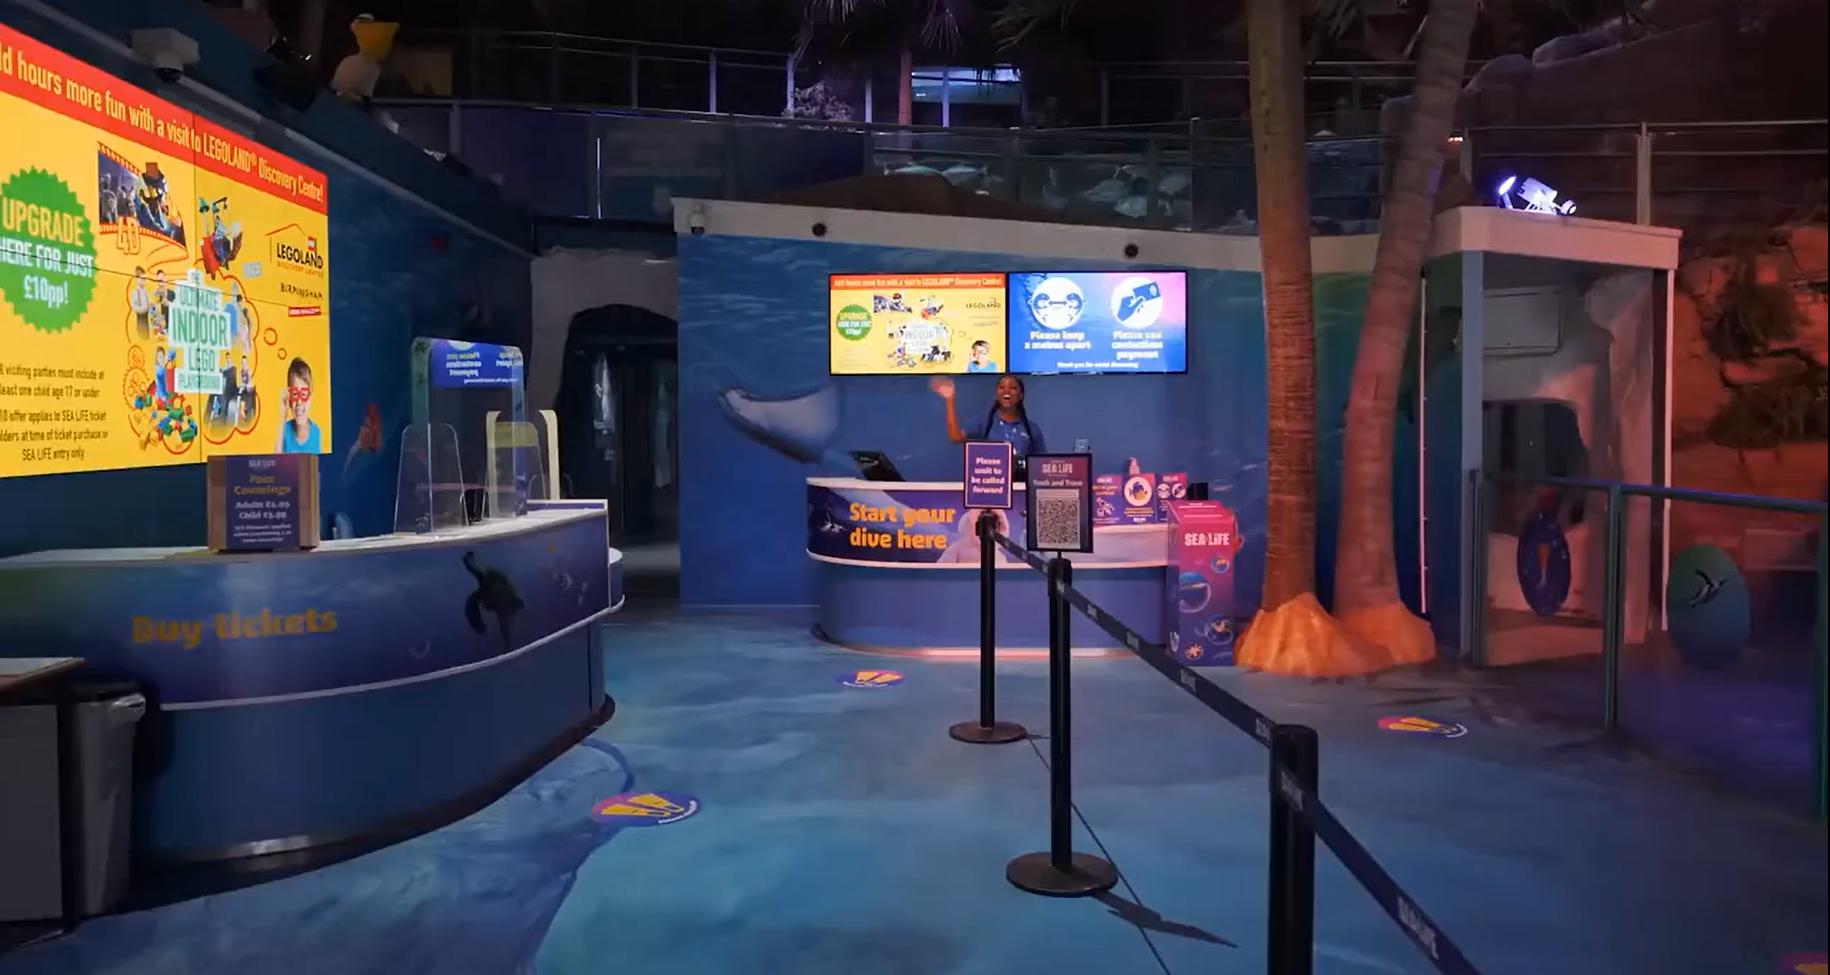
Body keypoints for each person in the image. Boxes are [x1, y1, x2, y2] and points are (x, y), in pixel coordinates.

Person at [931, 373, 1043, 459]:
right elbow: (955, 437)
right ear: (996, 394)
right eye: (1002, 387)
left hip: (1021, 482)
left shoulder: (1032, 429)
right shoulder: (982, 422)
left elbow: (1039, 464)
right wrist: (949, 399)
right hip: (991, 481)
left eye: (1013, 388)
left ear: (1020, 395)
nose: (1007, 391)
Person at [275, 357, 322, 454]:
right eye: (295, 394)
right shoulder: (284, 431)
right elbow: (276, 461)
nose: (299, 402)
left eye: (303, 394)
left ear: (310, 398)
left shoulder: (317, 434)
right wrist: (282, 416)